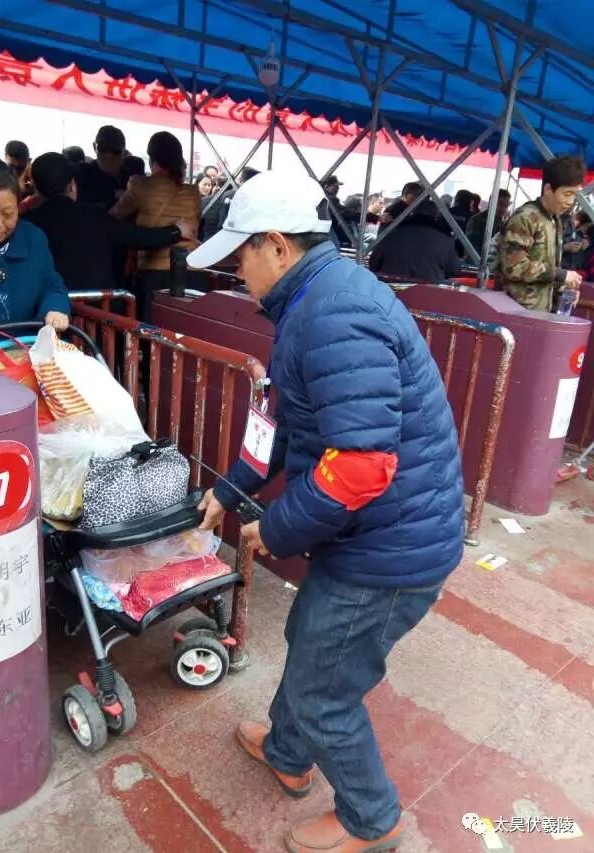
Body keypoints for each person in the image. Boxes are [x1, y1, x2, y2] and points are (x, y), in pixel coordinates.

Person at [188, 171, 464, 853]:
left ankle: (373, 819)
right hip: (373, 531)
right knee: (313, 640)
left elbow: (363, 464)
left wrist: (274, 528)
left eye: (240, 257)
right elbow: (290, 423)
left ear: (277, 246)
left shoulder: (333, 313)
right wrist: (230, 490)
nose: (236, 274)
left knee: (324, 687)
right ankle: (288, 751)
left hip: (392, 547)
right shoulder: (312, 300)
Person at [23, 152, 196, 293]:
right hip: (97, 312)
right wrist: (176, 230)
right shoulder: (95, 217)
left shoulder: (25, 224)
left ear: (36, 188)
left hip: (44, 314)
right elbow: (138, 237)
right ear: (72, 186)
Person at [0, 158, 69, 338]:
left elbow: (51, 284)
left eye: (8, 214)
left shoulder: (33, 238)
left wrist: (55, 307)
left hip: (27, 350)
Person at [109, 131, 200, 319]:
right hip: (190, 272)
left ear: (152, 159)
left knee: (151, 330)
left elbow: (113, 217)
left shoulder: (140, 185)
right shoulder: (193, 192)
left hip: (154, 274)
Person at [497, 155, 585, 311]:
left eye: (574, 195)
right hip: (515, 311)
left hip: (540, 312)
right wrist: (561, 275)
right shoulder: (525, 218)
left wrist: (563, 288)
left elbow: (546, 272)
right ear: (548, 189)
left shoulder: (554, 220)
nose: (570, 202)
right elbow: (513, 267)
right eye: (567, 194)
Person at [368, 199, 461, 281]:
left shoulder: (393, 232)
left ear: (412, 212)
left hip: (391, 288)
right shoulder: (445, 240)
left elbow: (374, 262)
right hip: (428, 291)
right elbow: (453, 270)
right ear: (436, 216)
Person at [75, 125, 126, 209]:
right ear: (94, 147)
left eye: (116, 151)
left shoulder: (132, 176)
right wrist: (115, 195)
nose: (108, 156)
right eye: (103, 149)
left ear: (124, 152)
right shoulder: (83, 173)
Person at [466, 189, 511, 254]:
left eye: (506, 206)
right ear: (491, 203)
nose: (503, 209)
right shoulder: (476, 221)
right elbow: (473, 248)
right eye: (500, 205)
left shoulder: (501, 223)